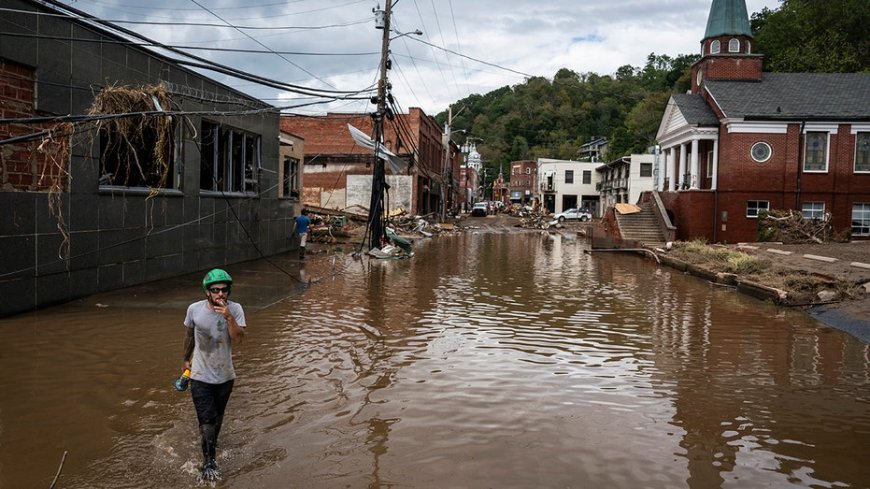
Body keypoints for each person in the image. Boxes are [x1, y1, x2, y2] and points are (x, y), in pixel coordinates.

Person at [182, 268, 246, 480]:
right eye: (215, 290)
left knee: (217, 418)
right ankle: (209, 461)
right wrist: (185, 360)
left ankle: (211, 444)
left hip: (225, 376)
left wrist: (229, 318)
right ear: (207, 292)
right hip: (200, 376)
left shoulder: (235, 310)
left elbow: (238, 339)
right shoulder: (194, 309)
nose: (220, 294)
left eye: (224, 290)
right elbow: (189, 335)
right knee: (207, 419)